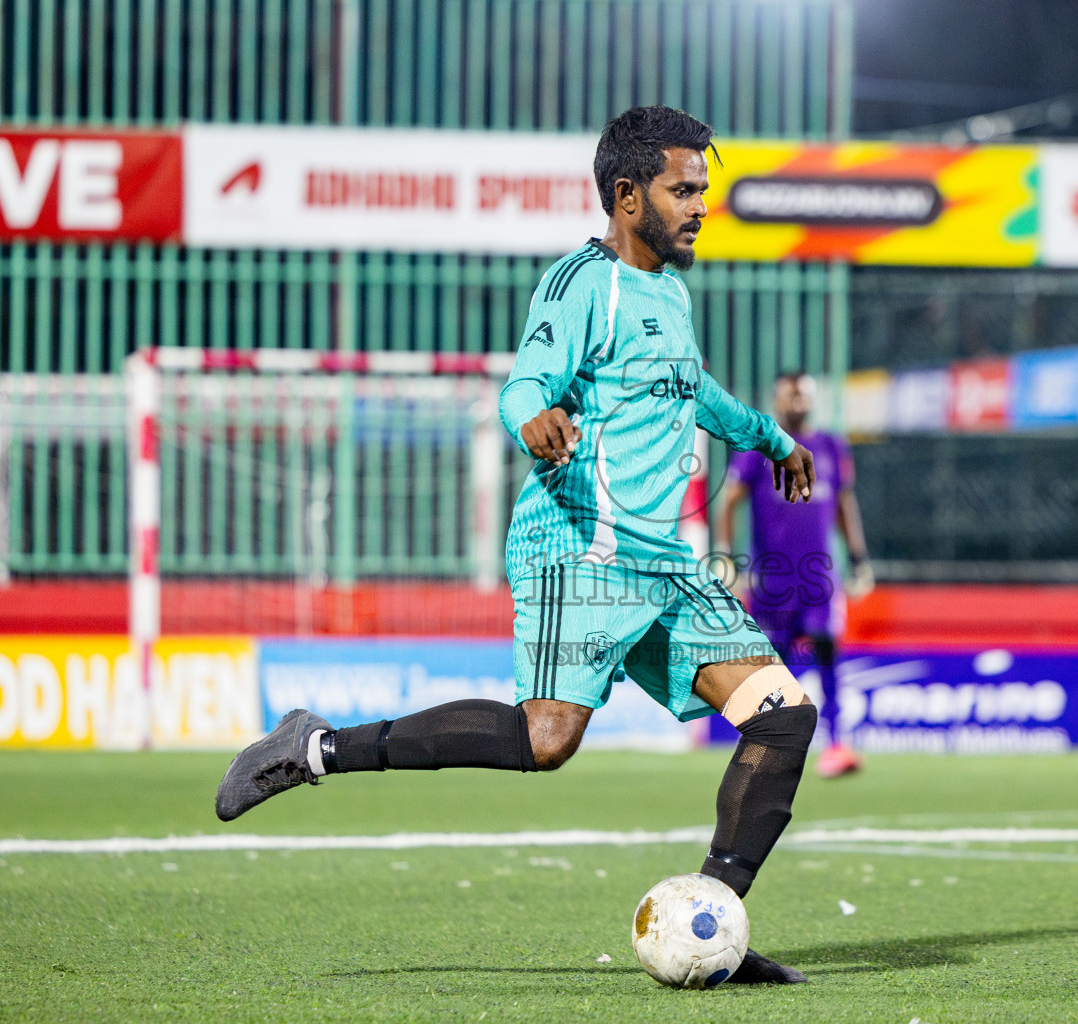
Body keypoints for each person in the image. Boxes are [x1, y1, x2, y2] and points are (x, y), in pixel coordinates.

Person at [214, 106, 818, 986]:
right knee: (546, 739)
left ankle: (711, 919)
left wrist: (770, 438)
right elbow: (525, 383)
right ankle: (311, 748)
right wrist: (530, 417)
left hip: (660, 561)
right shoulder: (580, 284)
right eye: (682, 190)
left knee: (784, 715)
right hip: (579, 549)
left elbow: (695, 391)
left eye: (701, 191)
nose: (699, 207)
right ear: (627, 195)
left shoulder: (670, 292)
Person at [717, 372, 873, 778]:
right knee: (771, 668)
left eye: (803, 394)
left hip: (819, 579)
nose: (798, 401)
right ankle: (760, 746)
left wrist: (858, 557)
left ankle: (836, 744)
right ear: (777, 399)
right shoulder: (759, 447)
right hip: (774, 582)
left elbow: (843, 504)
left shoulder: (830, 446)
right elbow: (729, 501)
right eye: (790, 394)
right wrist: (725, 557)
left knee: (828, 652)